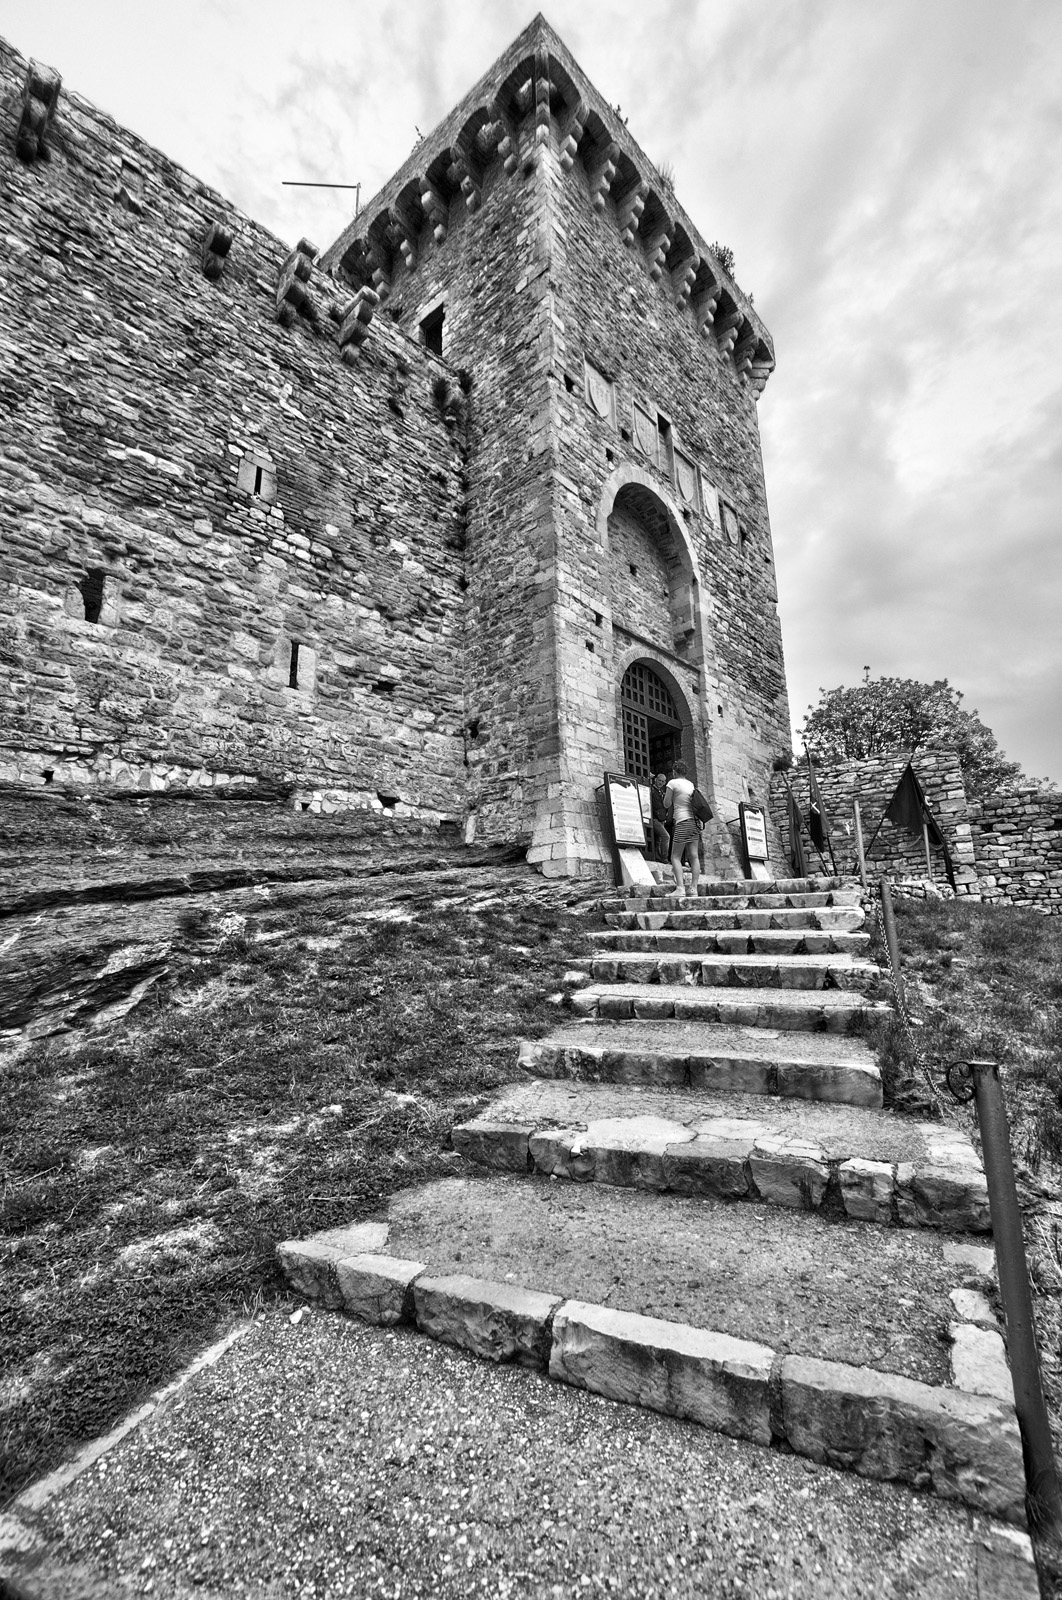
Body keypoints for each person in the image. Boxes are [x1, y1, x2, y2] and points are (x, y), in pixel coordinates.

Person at [663, 759, 701, 900]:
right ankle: (694, 888)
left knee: (675, 856)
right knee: (694, 856)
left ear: (674, 771)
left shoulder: (672, 783)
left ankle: (680, 888)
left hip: (682, 821)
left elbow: (666, 804)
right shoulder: (691, 784)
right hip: (693, 823)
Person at [649, 772, 670, 862]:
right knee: (666, 836)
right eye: (659, 780)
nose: (660, 782)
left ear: (664, 783)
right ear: (655, 779)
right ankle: (664, 857)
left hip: (661, 818)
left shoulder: (661, 792)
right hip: (654, 818)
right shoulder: (651, 789)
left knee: (659, 839)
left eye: (662, 781)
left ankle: (658, 857)